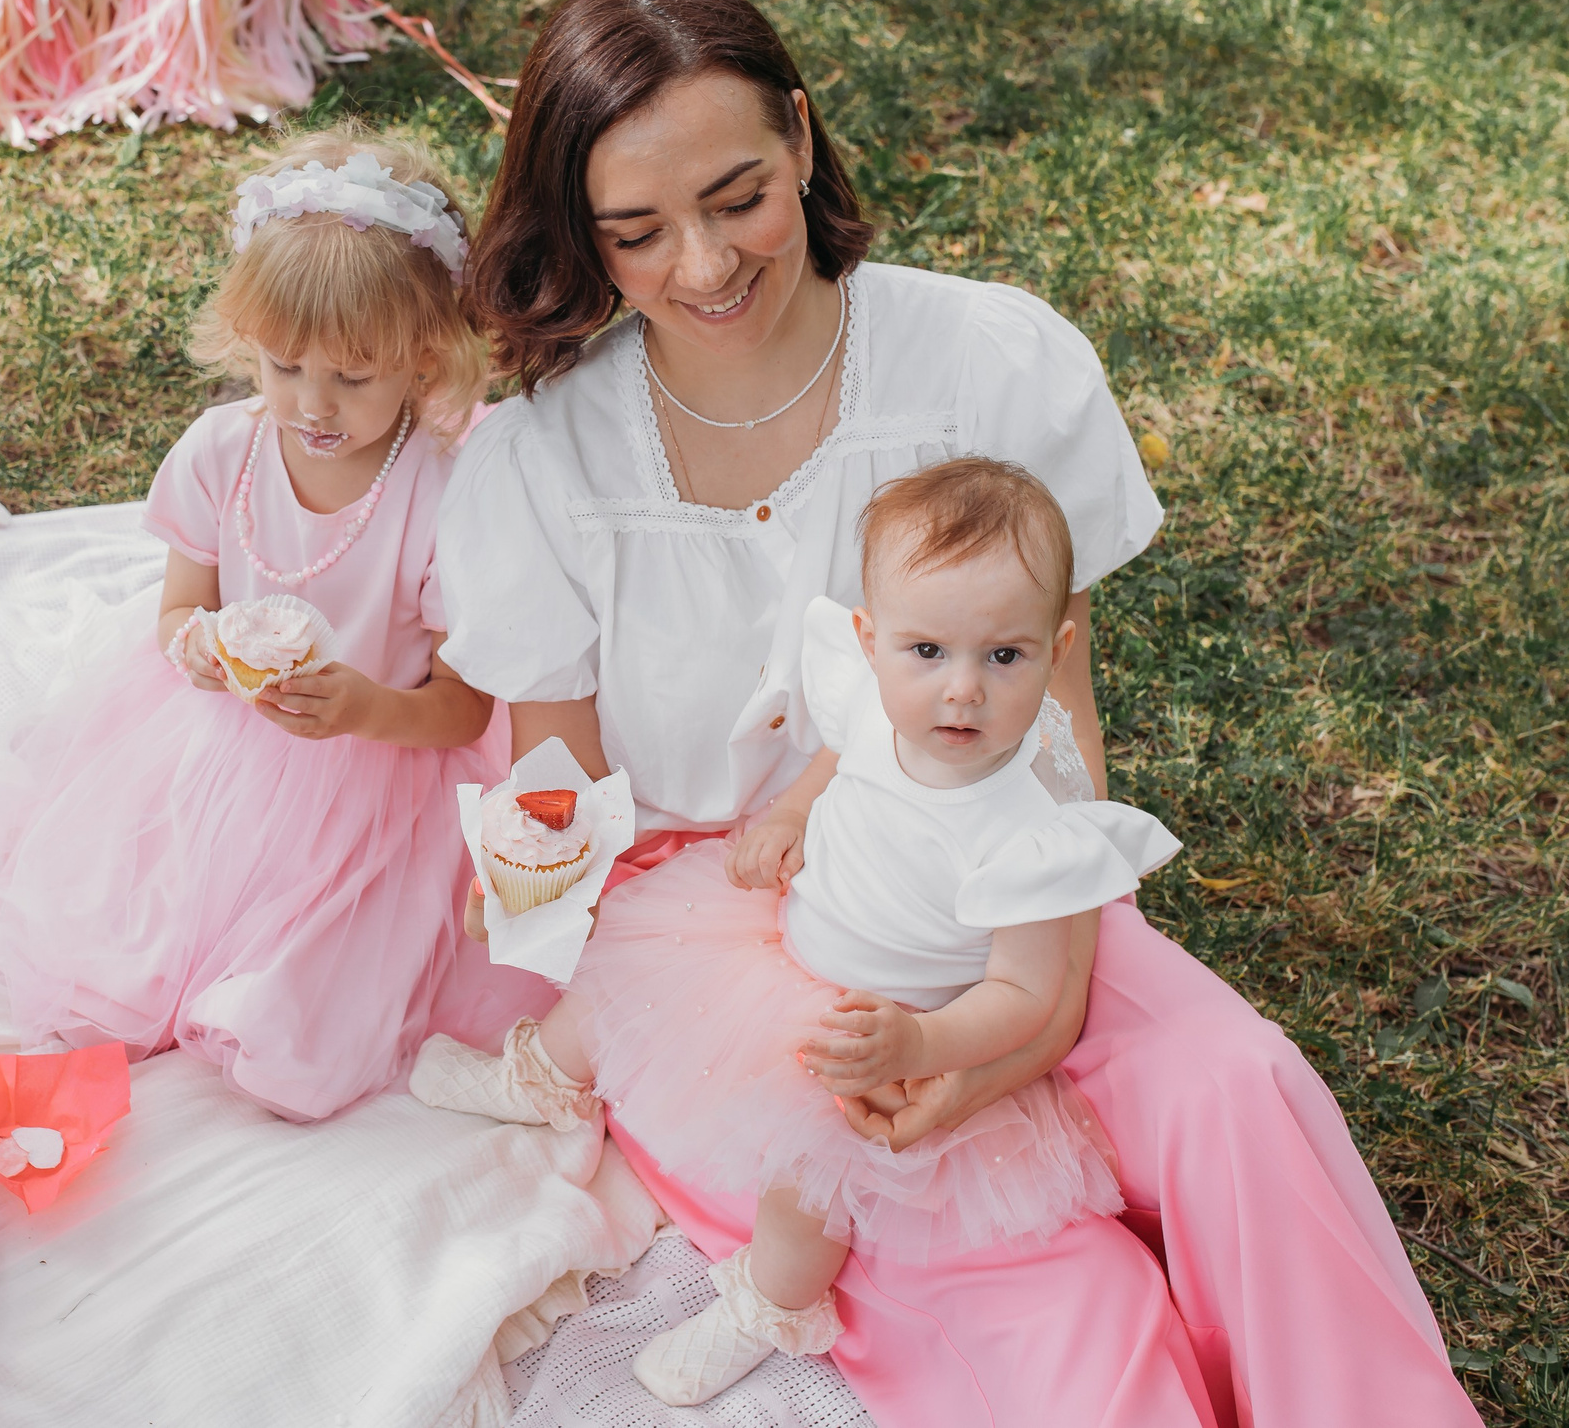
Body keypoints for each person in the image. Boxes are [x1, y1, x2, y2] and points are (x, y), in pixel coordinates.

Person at [435, 0, 1482, 1426]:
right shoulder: (543, 459)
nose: (705, 264)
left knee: (1234, 1080)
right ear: (583, 235)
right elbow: (558, 802)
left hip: (1003, 872)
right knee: (1066, 1301)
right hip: (745, 943)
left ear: (802, 136)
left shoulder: (988, 358)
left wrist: (1038, 1010)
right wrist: (536, 901)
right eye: (637, 231)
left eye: (738, 195)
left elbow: (1056, 726)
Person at [419, 458, 1213, 1416]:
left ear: (1057, 650)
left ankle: (767, 1305)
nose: (961, 691)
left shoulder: (1037, 829)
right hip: (780, 941)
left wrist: (920, 1044)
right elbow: (836, 759)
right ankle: (540, 1076)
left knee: (815, 1180)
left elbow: (1027, 994)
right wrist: (793, 816)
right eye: (929, 652)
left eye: (1004, 657)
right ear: (873, 643)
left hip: (886, 1021)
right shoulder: (876, 705)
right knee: (636, 972)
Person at [0, 126, 504, 1122]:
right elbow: (181, 606)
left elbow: (466, 710)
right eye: (285, 367)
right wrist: (198, 648)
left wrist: (364, 709)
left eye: (354, 375)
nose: (314, 404)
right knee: (113, 971)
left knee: (293, 1047)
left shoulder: (439, 493)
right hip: (221, 756)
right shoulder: (224, 452)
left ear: (424, 359)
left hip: (377, 781)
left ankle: (277, 983)